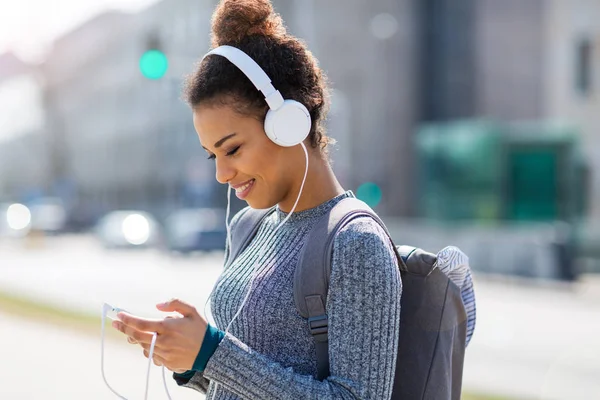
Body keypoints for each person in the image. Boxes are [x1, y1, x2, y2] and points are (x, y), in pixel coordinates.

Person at [111, 1, 473, 399]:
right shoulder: (249, 228)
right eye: (212, 155)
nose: (221, 174)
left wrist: (212, 353)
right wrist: (191, 361)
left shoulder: (356, 243)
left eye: (232, 149)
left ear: (288, 124)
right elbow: (245, 380)